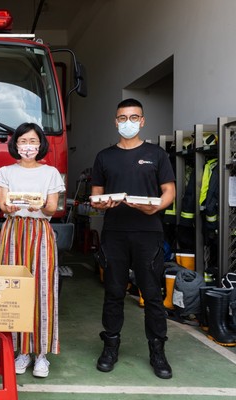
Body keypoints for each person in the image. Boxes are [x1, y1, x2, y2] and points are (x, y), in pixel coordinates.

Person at [90, 98, 176, 379]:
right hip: (114, 232)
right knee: (113, 292)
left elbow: (169, 191)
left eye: (134, 117)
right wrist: (100, 204)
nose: (128, 122)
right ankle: (111, 345)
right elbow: (97, 194)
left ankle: (158, 350)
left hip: (148, 233)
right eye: (123, 118)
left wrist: (158, 206)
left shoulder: (157, 154)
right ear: (116, 122)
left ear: (142, 121)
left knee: (151, 294)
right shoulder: (104, 156)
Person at [0, 122, 65, 378]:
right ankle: (20, 350)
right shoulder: (5, 172)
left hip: (40, 232)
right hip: (13, 230)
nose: (28, 146)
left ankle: (41, 354)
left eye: (32, 141)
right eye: (23, 141)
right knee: (12, 289)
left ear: (40, 144)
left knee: (42, 290)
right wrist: (10, 208)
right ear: (15, 144)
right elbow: (4, 204)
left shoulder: (51, 173)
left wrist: (41, 208)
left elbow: (53, 208)